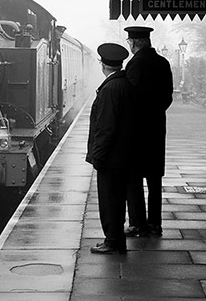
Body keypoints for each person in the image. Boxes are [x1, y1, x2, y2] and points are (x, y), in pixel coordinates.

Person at [123, 26, 174, 237]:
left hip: (137, 130)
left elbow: (131, 97)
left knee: (133, 178)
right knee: (154, 179)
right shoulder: (163, 63)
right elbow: (168, 96)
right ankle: (155, 223)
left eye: (130, 43)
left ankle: (137, 224)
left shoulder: (134, 64)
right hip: (156, 127)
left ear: (135, 43)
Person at [86, 42, 135, 254]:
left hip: (112, 156)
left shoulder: (110, 88)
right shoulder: (125, 83)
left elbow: (105, 127)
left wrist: (98, 156)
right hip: (123, 153)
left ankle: (113, 241)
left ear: (103, 64)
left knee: (110, 200)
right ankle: (116, 239)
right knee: (118, 197)